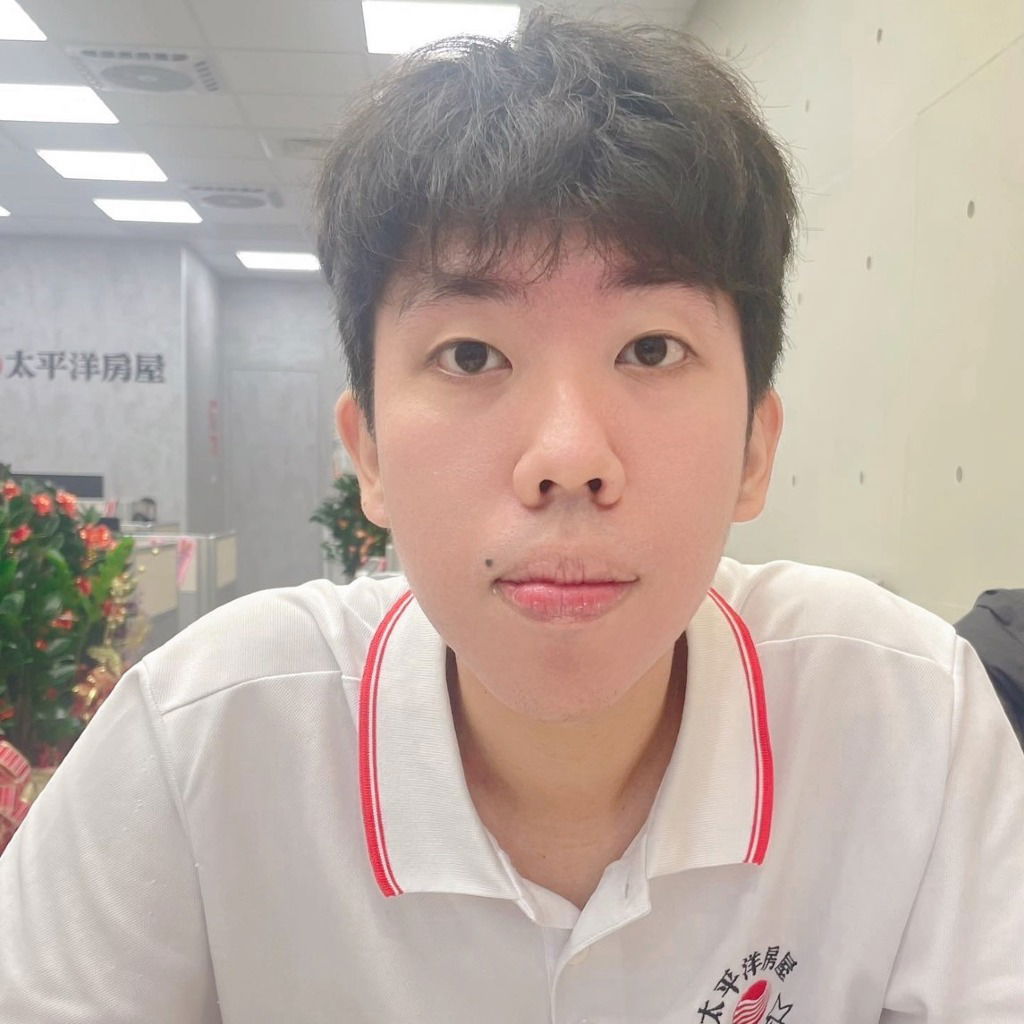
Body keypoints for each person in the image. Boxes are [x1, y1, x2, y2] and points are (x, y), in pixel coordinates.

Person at [2, 10, 1022, 1022]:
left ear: (755, 446)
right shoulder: (201, 739)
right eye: (471, 354)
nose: (568, 458)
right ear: (368, 452)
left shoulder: (910, 716)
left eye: (651, 349)